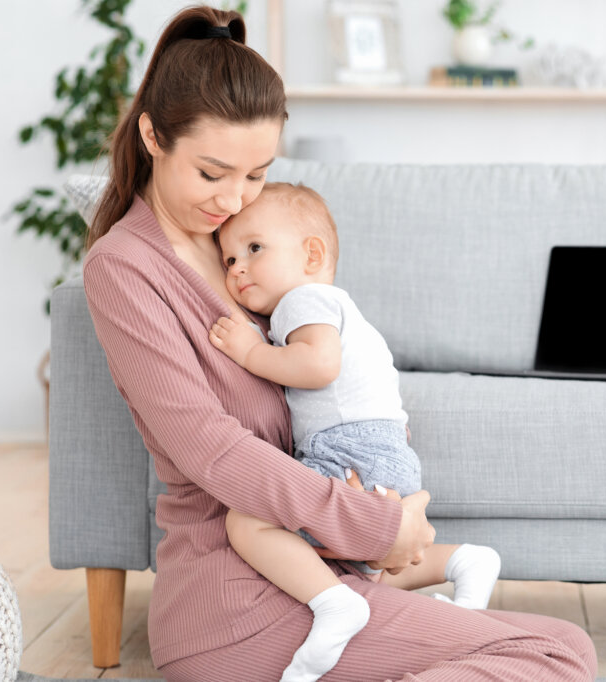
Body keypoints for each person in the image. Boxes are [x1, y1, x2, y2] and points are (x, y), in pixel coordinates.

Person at [82, 5, 596, 681]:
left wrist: (384, 492)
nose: (234, 200)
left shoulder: (244, 247)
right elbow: (210, 448)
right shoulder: (124, 268)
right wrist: (377, 527)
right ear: (153, 135)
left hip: (323, 576)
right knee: (551, 656)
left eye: (256, 174)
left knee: (565, 643)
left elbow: (332, 379)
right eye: (212, 174)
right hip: (232, 604)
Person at [208, 182, 502, 681]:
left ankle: (334, 605)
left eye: (254, 248)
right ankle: (459, 562)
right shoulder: (345, 311)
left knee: (247, 522)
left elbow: (318, 366)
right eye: (229, 259)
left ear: (312, 255)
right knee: (365, 563)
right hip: (385, 449)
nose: (237, 268)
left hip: (348, 449)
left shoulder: (302, 302)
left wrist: (251, 352)